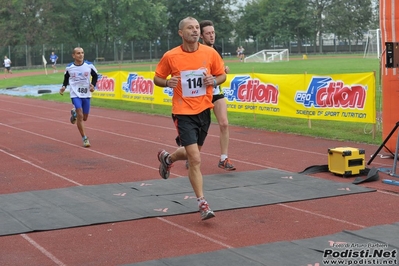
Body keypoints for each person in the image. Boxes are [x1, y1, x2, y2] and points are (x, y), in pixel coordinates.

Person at [153, 17, 226, 220]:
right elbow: (157, 78)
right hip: (183, 112)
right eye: (190, 28)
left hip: (204, 110)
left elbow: (222, 76)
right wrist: (167, 83)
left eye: (196, 28)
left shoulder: (210, 53)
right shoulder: (171, 56)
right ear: (181, 33)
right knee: (195, 158)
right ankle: (202, 203)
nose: (194, 31)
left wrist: (214, 79)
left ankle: (167, 158)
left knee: (190, 153)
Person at [198, 20, 236, 171]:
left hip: (216, 91)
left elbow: (218, 68)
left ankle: (223, 158)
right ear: (201, 36)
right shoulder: (197, 50)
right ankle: (192, 155)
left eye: (213, 32)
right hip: (201, 93)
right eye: (208, 33)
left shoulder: (218, 49)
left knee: (224, 123)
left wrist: (223, 69)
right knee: (200, 128)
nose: (211, 35)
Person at [59, 47, 98, 148]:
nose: (81, 55)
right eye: (78, 53)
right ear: (73, 55)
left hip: (86, 94)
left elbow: (95, 76)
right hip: (75, 93)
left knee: (84, 118)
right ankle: (84, 138)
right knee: (80, 115)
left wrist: (93, 85)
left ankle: (74, 113)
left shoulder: (89, 65)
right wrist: (63, 87)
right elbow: (66, 78)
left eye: (82, 53)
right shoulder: (69, 67)